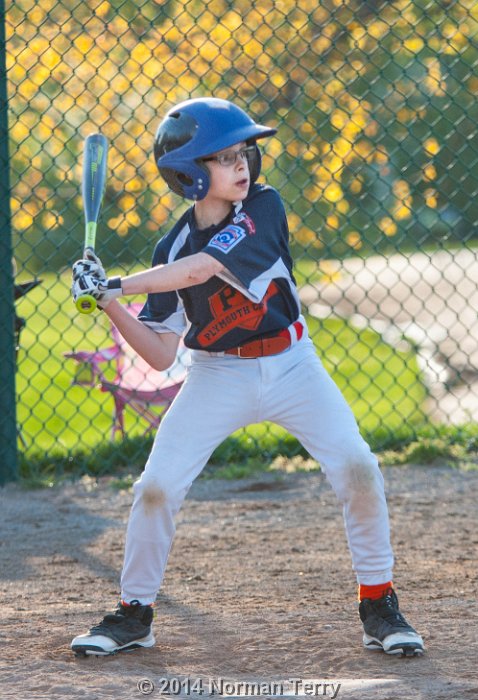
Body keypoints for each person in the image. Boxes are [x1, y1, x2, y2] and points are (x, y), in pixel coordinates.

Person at [70, 97, 424, 658]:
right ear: (189, 173)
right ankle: (134, 613)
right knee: (156, 488)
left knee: (358, 466)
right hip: (217, 376)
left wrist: (115, 283)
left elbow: (205, 268)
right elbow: (160, 354)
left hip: (292, 365)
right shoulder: (170, 250)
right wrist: (108, 303)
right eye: (224, 157)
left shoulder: (263, 207)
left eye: (244, 153)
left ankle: (378, 604)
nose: (242, 164)